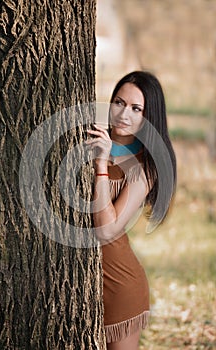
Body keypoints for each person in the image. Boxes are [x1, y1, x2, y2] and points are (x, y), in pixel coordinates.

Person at [86, 71, 177, 349]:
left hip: (119, 285)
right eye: (119, 102)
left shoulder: (144, 167)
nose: (124, 114)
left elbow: (106, 230)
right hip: (83, 287)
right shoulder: (91, 138)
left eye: (136, 109)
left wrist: (101, 165)